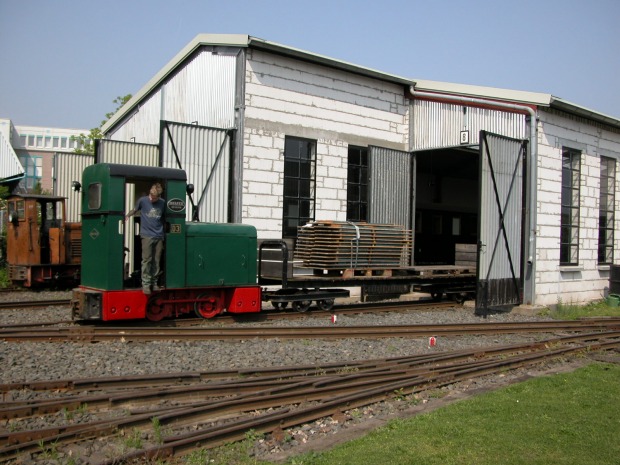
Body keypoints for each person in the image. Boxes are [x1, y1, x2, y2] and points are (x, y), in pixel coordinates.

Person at [125, 183, 165, 294]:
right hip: (146, 235)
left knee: (156, 260)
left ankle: (154, 282)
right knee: (147, 259)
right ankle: (146, 284)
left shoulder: (162, 203)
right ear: (150, 193)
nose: (152, 199)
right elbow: (134, 209)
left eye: (155, 198)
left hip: (159, 235)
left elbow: (165, 217)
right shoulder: (143, 201)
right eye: (151, 197)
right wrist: (127, 216)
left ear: (159, 196)